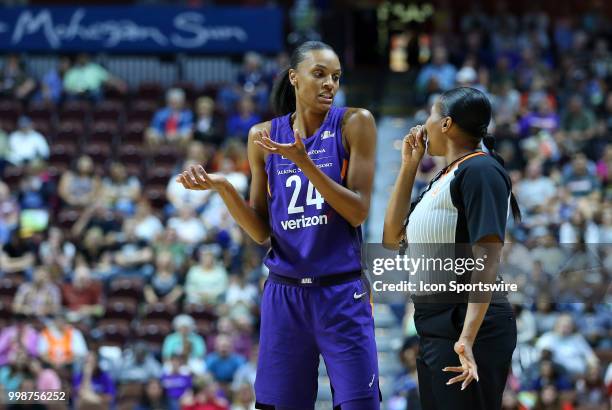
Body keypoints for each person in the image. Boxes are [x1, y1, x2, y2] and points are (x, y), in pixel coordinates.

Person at [176, 41, 380, 409]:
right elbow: (259, 231)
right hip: (285, 295)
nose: (329, 84)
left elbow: (358, 212)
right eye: (318, 74)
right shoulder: (262, 137)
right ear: (294, 78)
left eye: (335, 77)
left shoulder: (355, 123)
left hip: (341, 291)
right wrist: (223, 187)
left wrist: (306, 164)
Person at [383, 87, 520, 410]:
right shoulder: (444, 178)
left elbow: (487, 257)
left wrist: (468, 338)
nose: (424, 123)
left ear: (445, 124)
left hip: (467, 328)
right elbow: (391, 238)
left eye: (431, 115)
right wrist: (408, 166)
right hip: (435, 327)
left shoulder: (481, 170)